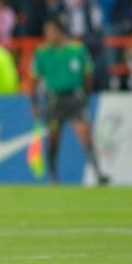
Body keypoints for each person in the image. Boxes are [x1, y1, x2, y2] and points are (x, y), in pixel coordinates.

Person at [31, 19, 108, 185]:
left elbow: (88, 75)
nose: (47, 35)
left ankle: (98, 173)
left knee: (85, 136)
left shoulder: (77, 50)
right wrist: (35, 103)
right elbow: (35, 80)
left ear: (59, 31)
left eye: (50, 31)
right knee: (53, 139)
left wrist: (85, 97)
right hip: (54, 100)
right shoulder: (42, 53)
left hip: (73, 99)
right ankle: (53, 176)